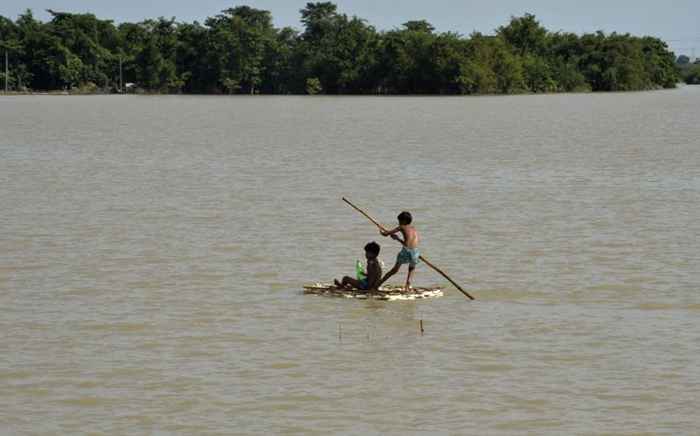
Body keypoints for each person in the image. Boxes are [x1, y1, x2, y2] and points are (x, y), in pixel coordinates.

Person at [378, 211, 420, 291]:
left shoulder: (402, 227)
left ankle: (378, 283)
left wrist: (381, 230)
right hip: (415, 251)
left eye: (399, 221)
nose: (399, 223)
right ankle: (408, 284)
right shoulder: (413, 229)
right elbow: (409, 242)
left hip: (406, 250)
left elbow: (386, 234)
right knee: (412, 267)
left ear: (403, 221)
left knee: (394, 270)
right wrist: (397, 239)